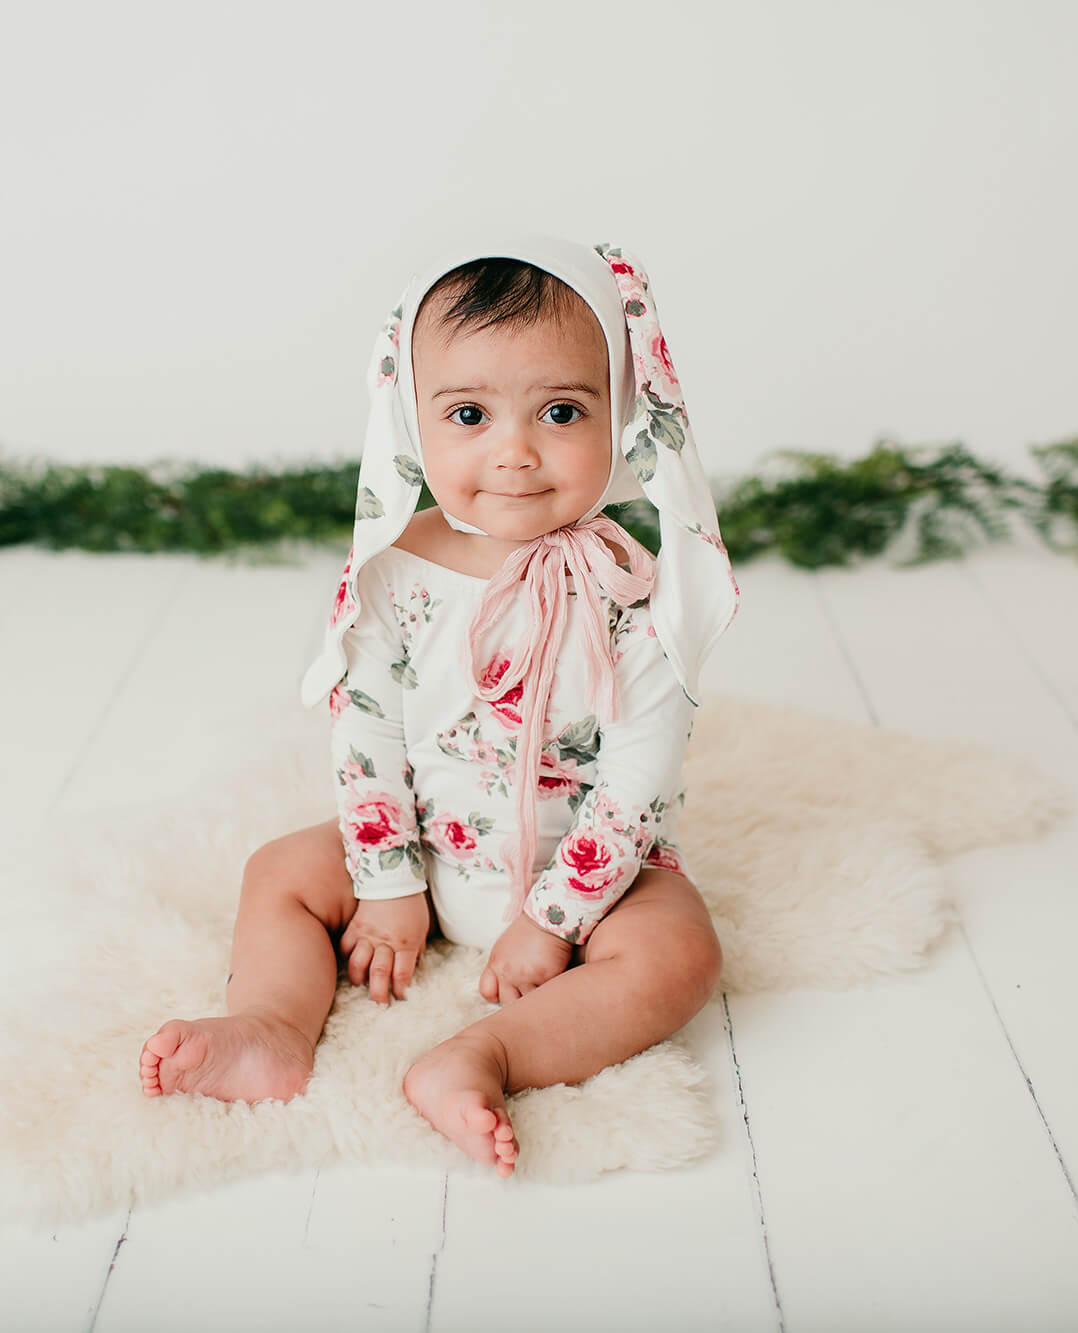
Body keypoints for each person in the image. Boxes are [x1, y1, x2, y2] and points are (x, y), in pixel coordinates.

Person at [140, 231, 742, 1177]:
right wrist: (385, 884)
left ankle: (486, 1054)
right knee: (283, 871)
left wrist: (553, 920)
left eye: (560, 410)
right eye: (468, 412)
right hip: (428, 841)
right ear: (411, 418)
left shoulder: (633, 587)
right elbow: (367, 727)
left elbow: (638, 776)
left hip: (588, 881)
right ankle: (271, 1023)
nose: (514, 451)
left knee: (681, 951)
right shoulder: (395, 573)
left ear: (623, 411)